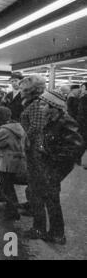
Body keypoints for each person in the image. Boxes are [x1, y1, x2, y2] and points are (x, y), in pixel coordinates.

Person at [27, 91, 84, 244]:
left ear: (54, 107)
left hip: (54, 167)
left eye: (44, 104)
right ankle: (41, 229)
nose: (40, 107)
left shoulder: (66, 122)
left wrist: (52, 155)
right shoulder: (51, 119)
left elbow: (76, 148)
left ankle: (57, 234)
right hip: (44, 165)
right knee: (40, 196)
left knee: (51, 199)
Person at [19, 75, 48, 239]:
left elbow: (36, 127)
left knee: (36, 187)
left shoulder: (37, 104)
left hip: (36, 151)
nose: (20, 92)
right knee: (33, 183)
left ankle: (39, 228)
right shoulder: (33, 103)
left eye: (23, 89)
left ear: (31, 91)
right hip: (32, 149)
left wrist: (23, 139)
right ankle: (31, 207)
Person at [0, 107, 27, 221]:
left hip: (7, 161)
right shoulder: (17, 126)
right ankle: (9, 207)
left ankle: (12, 211)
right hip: (16, 159)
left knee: (7, 187)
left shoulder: (4, 131)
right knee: (8, 185)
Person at [77, 82, 87, 170]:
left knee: (83, 142)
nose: (81, 89)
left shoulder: (84, 98)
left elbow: (81, 113)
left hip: (84, 124)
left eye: (83, 87)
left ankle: (77, 158)